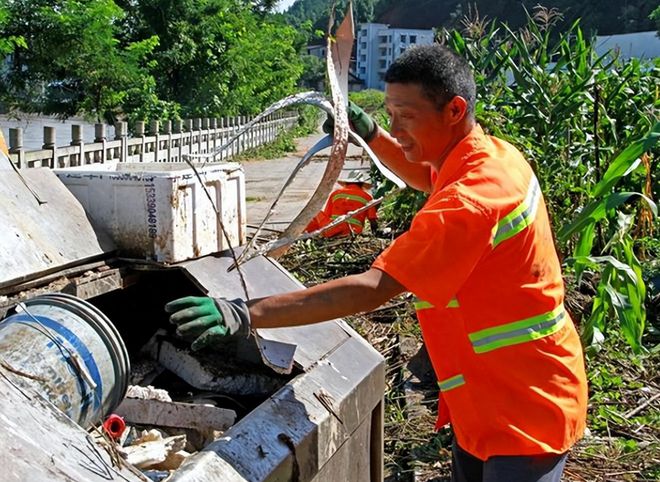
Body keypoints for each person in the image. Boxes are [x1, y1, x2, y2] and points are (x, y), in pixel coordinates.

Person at [165, 44, 588, 482]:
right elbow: (428, 175)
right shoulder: (485, 157)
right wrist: (372, 136)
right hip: (490, 398)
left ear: (454, 110)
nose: (396, 127)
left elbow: (374, 288)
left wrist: (246, 314)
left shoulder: (471, 201)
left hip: (524, 406)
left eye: (406, 116)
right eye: (388, 114)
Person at [304, 169, 378, 237]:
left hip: (333, 230)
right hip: (353, 231)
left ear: (346, 183)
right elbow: (373, 221)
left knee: (315, 212)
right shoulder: (367, 197)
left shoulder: (336, 194)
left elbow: (327, 214)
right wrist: (375, 235)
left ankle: (308, 236)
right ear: (361, 184)